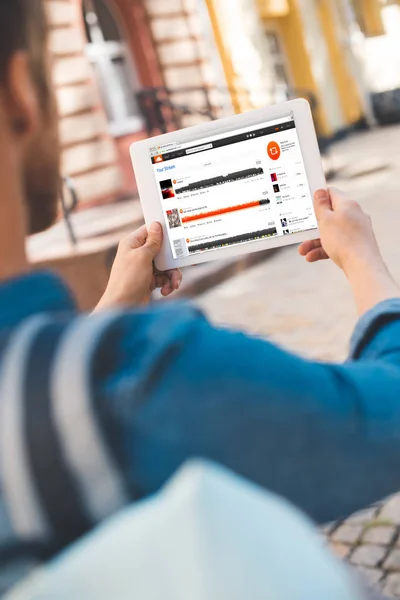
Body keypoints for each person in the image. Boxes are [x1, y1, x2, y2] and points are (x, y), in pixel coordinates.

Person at [0, 0, 400, 592]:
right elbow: (383, 424)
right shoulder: (150, 372)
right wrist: (364, 259)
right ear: (21, 94)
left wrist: (112, 307)